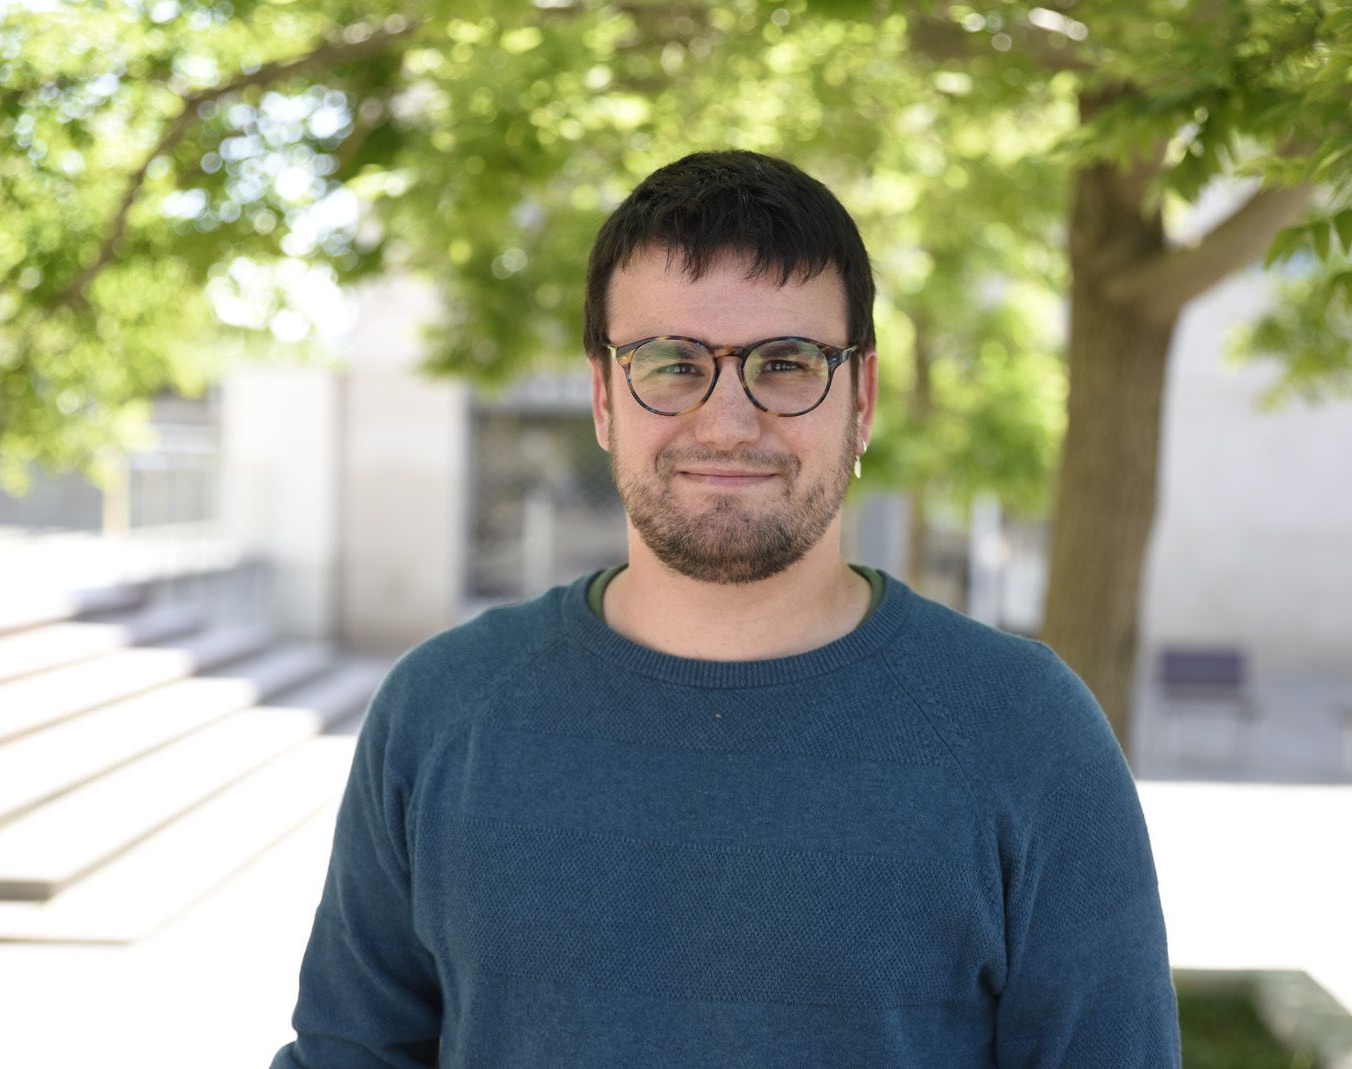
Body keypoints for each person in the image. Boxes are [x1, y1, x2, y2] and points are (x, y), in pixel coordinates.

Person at [272, 149, 1180, 1068]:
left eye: (785, 364)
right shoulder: (439, 710)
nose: (729, 421)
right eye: (672, 363)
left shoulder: (1025, 730)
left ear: (861, 400)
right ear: (604, 397)